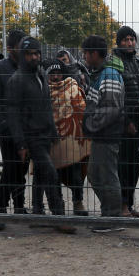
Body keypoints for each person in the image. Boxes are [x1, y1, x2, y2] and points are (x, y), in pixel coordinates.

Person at [5, 38, 72, 231]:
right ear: (23, 56)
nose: (34, 57)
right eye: (29, 54)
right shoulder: (17, 80)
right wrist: (20, 143)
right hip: (30, 136)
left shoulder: (41, 74)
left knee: (42, 175)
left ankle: (37, 212)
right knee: (51, 174)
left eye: (36, 53)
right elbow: (13, 114)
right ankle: (60, 219)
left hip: (45, 135)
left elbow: (46, 106)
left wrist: (52, 131)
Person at [81, 34, 125, 217]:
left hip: (107, 135)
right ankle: (108, 212)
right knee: (94, 175)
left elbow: (110, 108)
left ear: (94, 54)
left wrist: (89, 125)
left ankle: (112, 217)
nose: (83, 57)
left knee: (107, 177)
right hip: (101, 135)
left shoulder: (109, 74)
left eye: (85, 53)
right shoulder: (100, 73)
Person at [0, 30, 28, 230]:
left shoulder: (28, 66)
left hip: (28, 129)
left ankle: (20, 207)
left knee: (21, 169)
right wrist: (4, 126)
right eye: (22, 46)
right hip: (9, 130)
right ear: (11, 48)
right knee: (11, 168)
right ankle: (1, 208)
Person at [113, 26, 139, 218]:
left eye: (132, 39)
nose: (129, 43)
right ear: (118, 41)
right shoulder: (114, 62)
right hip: (120, 123)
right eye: (125, 39)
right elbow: (113, 97)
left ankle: (129, 204)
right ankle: (120, 206)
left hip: (138, 120)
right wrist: (126, 120)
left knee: (134, 165)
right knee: (122, 165)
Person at [44, 60, 90, 215]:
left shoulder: (72, 86)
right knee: (53, 176)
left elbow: (81, 107)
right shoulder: (42, 90)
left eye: (58, 73)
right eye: (52, 74)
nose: (56, 77)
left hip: (72, 140)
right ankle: (59, 207)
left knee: (76, 174)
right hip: (51, 141)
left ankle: (78, 203)